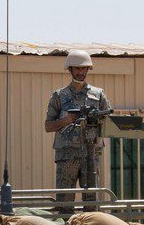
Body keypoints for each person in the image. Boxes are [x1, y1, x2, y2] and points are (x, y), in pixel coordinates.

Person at [45, 50, 113, 209]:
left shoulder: (98, 94)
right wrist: (67, 120)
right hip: (67, 155)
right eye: (77, 68)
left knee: (91, 202)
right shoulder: (59, 96)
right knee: (64, 200)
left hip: (91, 153)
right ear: (70, 70)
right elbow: (48, 126)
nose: (81, 72)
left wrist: (96, 120)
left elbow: (109, 123)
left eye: (84, 69)